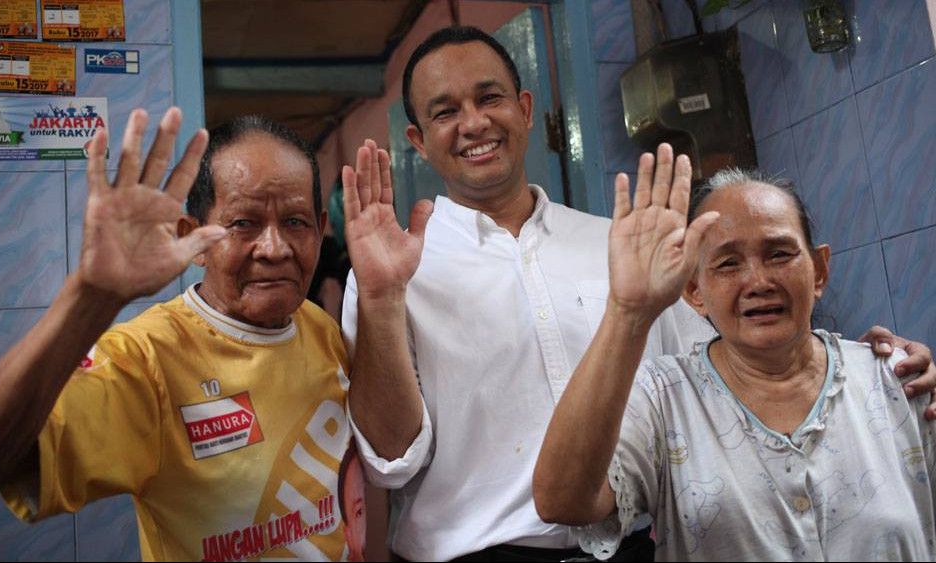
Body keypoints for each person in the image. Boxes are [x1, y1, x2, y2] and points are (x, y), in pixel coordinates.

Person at [339, 25, 936, 562]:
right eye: (445, 111)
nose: (473, 123)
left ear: (524, 110)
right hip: (472, 556)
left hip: (632, 546)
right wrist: (383, 296)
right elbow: (391, 459)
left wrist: (863, 375)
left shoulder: (615, 246)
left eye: (489, 97)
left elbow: (736, 368)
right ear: (418, 140)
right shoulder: (390, 265)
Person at [0, 108, 355, 561]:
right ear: (192, 236)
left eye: (295, 222)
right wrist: (89, 297)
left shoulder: (319, 327)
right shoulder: (146, 358)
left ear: (319, 230)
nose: (274, 249)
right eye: (243, 223)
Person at [533, 165, 936, 560]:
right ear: (694, 290)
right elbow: (562, 501)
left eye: (779, 254)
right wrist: (627, 312)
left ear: (819, 270)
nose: (758, 281)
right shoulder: (663, 401)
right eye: (728, 263)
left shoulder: (897, 381)